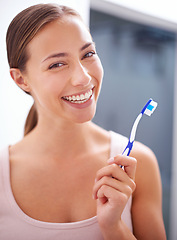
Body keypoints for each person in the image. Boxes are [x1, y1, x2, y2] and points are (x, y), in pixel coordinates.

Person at [0, 3, 166, 239]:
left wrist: (113, 227)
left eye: (88, 54)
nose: (83, 78)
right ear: (20, 80)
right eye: (57, 64)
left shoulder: (137, 164)